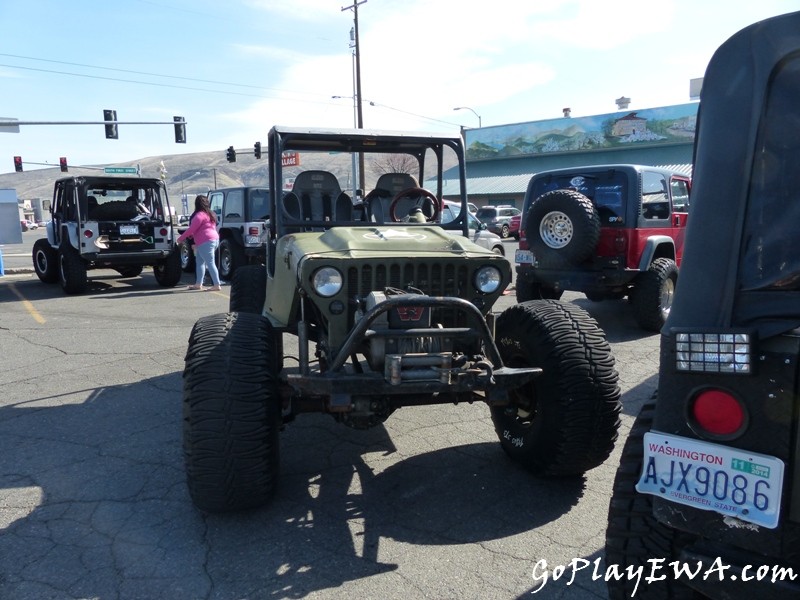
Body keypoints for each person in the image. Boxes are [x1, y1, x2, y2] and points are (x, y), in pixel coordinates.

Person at [177, 194, 221, 291]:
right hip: (213, 239)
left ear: (196, 204)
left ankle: (217, 285)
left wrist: (181, 238)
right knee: (200, 262)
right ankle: (198, 284)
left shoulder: (199, 215)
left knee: (210, 263)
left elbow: (191, 229)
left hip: (205, 242)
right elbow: (205, 228)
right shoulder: (211, 214)